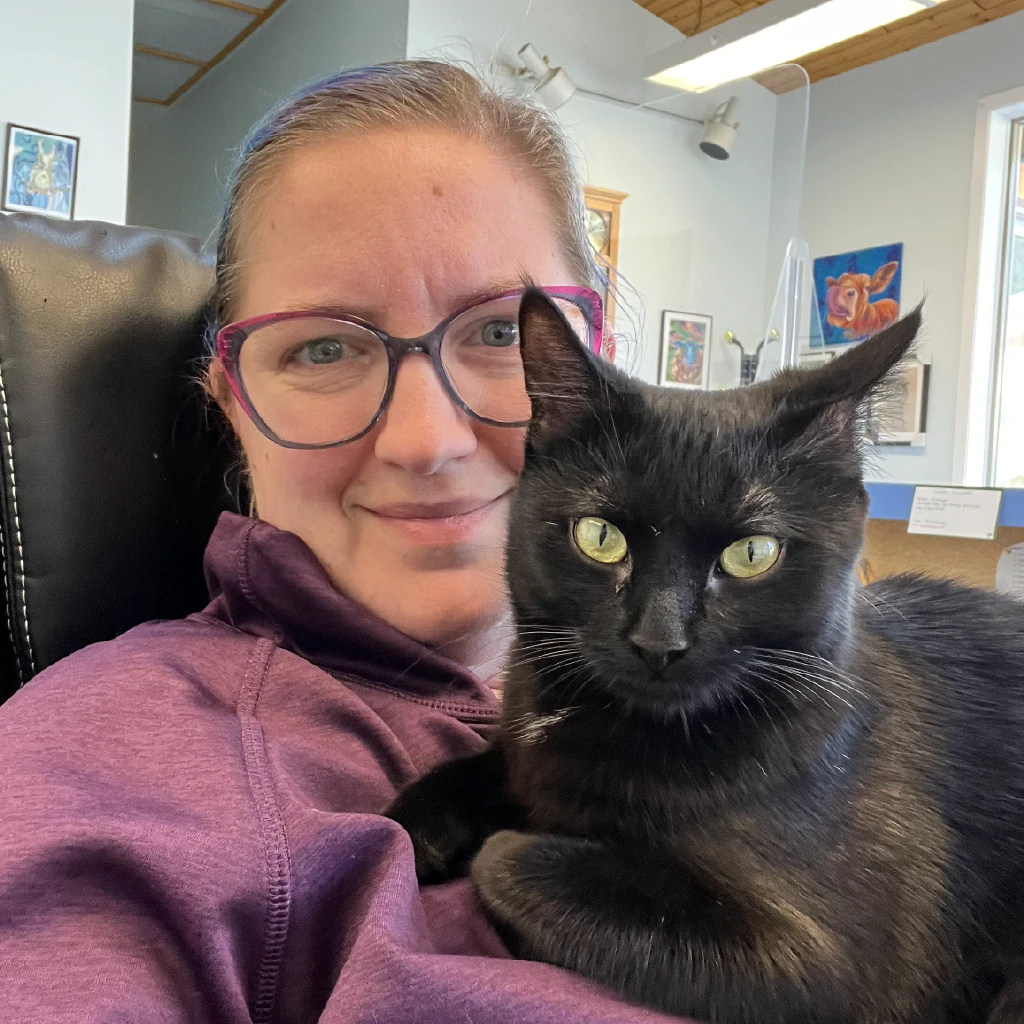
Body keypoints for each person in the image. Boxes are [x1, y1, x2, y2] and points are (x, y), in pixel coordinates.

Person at [0, 62, 672, 1023]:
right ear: (231, 405)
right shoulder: (108, 763)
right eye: (323, 348)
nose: (427, 442)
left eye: (500, 333)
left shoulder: (758, 673)